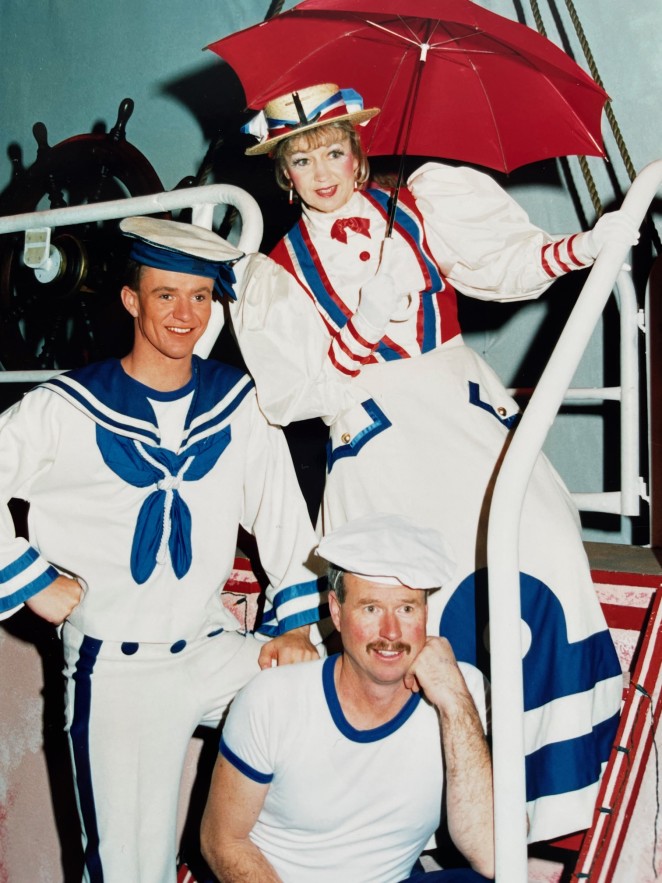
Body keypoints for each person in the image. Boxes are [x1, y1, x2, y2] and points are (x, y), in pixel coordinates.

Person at [226, 83, 635, 843]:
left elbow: (505, 264)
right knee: (418, 608)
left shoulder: (420, 202)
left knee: (542, 545)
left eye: (335, 151)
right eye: (302, 158)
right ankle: (435, 810)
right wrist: (366, 320)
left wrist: (583, 246)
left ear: (358, 149)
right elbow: (297, 395)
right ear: (284, 172)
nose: (323, 172)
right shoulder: (274, 272)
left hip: (461, 411)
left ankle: (558, 788)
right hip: (377, 438)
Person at [0, 216, 326, 883]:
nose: (186, 314)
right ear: (131, 300)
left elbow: (283, 514)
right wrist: (29, 578)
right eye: (166, 295)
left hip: (210, 650)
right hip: (120, 675)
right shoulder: (68, 406)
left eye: (201, 297)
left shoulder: (234, 402)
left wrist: (295, 624)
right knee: (129, 871)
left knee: (327, 695)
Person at [201, 513, 494, 883]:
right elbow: (221, 842)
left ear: (425, 612)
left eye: (406, 609)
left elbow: (495, 856)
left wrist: (455, 701)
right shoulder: (274, 697)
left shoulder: (461, 689)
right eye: (371, 609)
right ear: (337, 613)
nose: (390, 632)